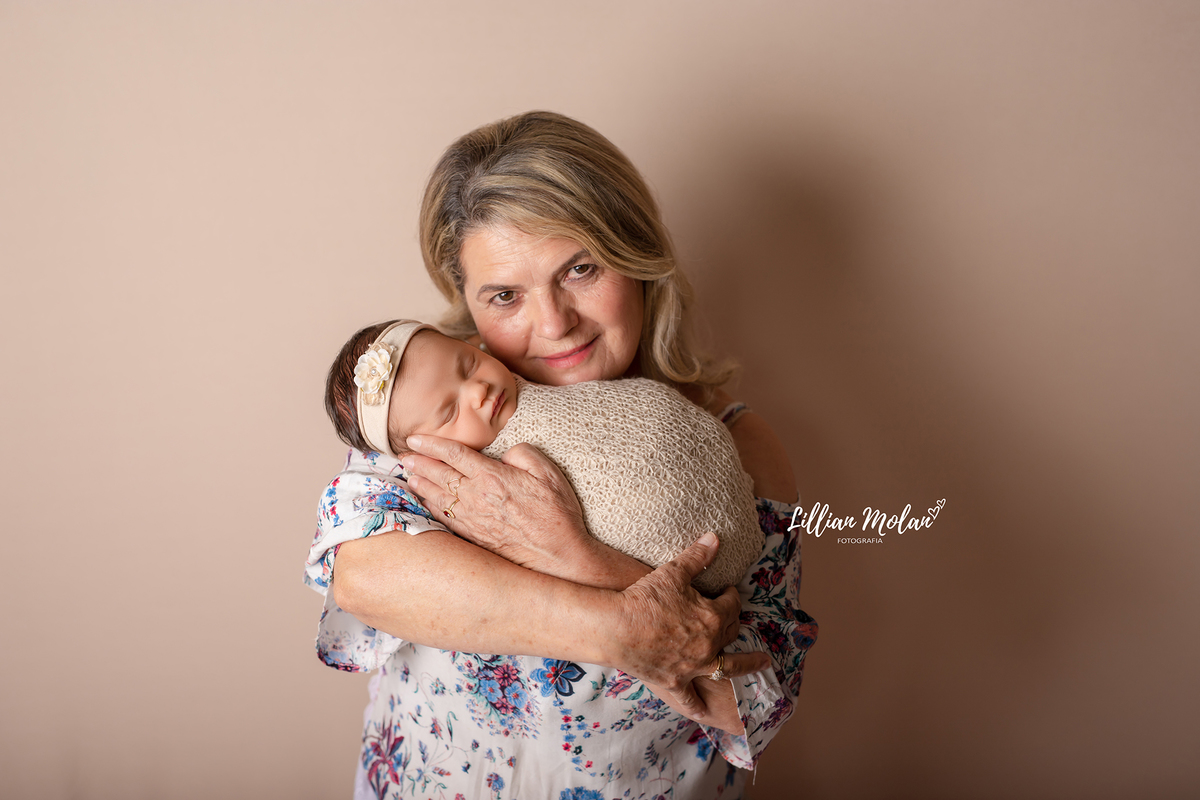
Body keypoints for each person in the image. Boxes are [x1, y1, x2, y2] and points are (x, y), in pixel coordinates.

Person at [303, 110, 817, 800]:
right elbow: (366, 578)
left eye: (580, 268)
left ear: (635, 256)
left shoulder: (737, 446)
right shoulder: (432, 404)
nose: (554, 324)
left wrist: (579, 557)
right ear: (467, 303)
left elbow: (759, 703)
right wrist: (624, 627)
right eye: (505, 295)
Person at [324, 319, 764, 594]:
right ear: (421, 451)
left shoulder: (540, 367)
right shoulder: (459, 491)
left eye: (467, 364)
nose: (477, 391)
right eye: (449, 412)